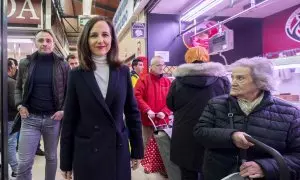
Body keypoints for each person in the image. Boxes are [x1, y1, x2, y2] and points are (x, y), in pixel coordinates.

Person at [60, 16, 144, 180]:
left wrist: (137, 149)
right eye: (94, 35)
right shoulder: (76, 75)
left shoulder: (122, 72)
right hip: (87, 152)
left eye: (105, 34)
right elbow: (69, 119)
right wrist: (66, 161)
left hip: (116, 150)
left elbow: (132, 113)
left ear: (112, 38)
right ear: (86, 39)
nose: (100, 40)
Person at [193, 57, 300, 180]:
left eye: (240, 78)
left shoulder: (290, 113)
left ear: (260, 81)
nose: (233, 83)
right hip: (219, 174)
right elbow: (200, 133)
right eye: (232, 77)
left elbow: (297, 156)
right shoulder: (216, 104)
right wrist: (231, 136)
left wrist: (266, 167)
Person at [167, 46, 231, 180]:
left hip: (185, 134)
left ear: (187, 59)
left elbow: (170, 104)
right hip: (212, 132)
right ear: (206, 58)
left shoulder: (178, 81)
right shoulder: (222, 80)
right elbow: (229, 104)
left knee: (187, 173)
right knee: (211, 172)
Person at [15, 29, 69, 180]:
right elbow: (18, 88)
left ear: (53, 44)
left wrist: (63, 110)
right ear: (35, 43)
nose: (44, 44)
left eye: (48, 40)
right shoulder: (25, 63)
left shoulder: (63, 65)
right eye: (41, 40)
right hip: (30, 118)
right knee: (24, 161)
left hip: (53, 119)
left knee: (51, 157)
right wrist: (20, 105)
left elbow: (69, 92)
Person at [135, 56, 171, 147]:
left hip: (163, 122)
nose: (161, 67)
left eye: (163, 65)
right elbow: (136, 96)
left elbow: (172, 100)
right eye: (158, 65)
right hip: (147, 122)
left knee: (163, 149)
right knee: (147, 147)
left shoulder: (167, 82)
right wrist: (147, 110)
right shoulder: (143, 80)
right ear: (151, 66)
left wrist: (165, 112)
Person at [8, 59, 18, 178]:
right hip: (9, 118)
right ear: (10, 68)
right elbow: (13, 102)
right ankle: (15, 168)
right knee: (11, 143)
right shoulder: (10, 82)